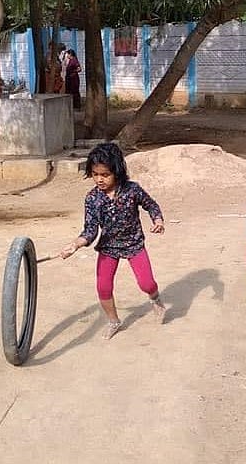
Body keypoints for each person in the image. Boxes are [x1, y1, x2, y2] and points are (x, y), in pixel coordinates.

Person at [60, 142, 166, 339]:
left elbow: (151, 205)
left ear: (117, 172)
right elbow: (90, 230)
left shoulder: (132, 190)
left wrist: (157, 220)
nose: (99, 179)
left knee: (147, 283)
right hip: (108, 247)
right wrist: (75, 244)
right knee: (103, 287)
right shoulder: (92, 199)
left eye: (105, 174)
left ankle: (155, 299)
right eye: (95, 174)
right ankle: (114, 321)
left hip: (133, 243)